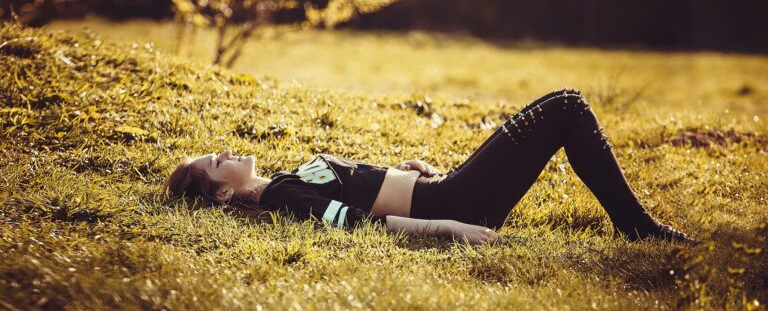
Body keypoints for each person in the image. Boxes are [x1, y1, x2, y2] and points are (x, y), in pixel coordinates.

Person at [164, 88, 699, 246]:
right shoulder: (282, 199)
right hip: (456, 203)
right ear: (221, 195)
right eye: (216, 163)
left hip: (441, 187)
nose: (226, 153)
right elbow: (359, 224)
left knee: (565, 108)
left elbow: (357, 195)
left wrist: (399, 172)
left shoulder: (284, 184)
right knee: (565, 108)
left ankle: (635, 225)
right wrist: (450, 227)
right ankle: (637, 227)